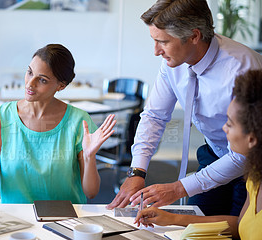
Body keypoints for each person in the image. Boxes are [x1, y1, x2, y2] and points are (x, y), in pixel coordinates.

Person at [107, 0, 262, 217]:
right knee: (194, 227)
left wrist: (179, 188)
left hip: (253, 164)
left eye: (163, 42)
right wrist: (136, 172)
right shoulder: (173, 62)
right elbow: (154, 116)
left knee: (238, 239)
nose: (156, 51)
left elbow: (243, 155)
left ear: (194, 36)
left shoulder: (243, 68)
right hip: (215, 152)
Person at [135, 69, 262, 240]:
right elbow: (239, 225)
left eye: (229, 123)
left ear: (252, 139)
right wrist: (173, 218)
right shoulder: (255, 179)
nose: (223, 129)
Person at [0, 44, 116, 203]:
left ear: (61, 85)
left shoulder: (79, 122)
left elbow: (91, 192)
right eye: (29, 72)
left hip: (63, 218)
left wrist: (88, 156)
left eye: (42, 80)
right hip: (15, 218)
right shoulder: (1, 117)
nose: (30, 83)